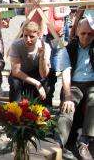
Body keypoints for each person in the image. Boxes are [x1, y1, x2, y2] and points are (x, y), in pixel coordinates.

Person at [56, 19, 94, 160]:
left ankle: (84, 142)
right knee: (68, 107)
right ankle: (58, 142)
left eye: (90, 34)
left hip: (92, 84)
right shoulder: (68, 49)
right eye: (83, 33)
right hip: (74, 84)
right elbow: (66, 72)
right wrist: (67, 96)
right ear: (77, 31)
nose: (86, 37)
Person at [8, 21, 52, 106]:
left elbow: (43, 74)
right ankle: (14, 110)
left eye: (31, 36)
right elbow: (16, 72)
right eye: (25, 36)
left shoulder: (45, 47)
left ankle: (43, 112)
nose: (28, 39)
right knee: (15, 83)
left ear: (39, 35)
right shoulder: (16, 45)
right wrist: (36, 83)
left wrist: (42, 57)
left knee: (46, 82)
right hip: (20, 74)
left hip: (36, 73)